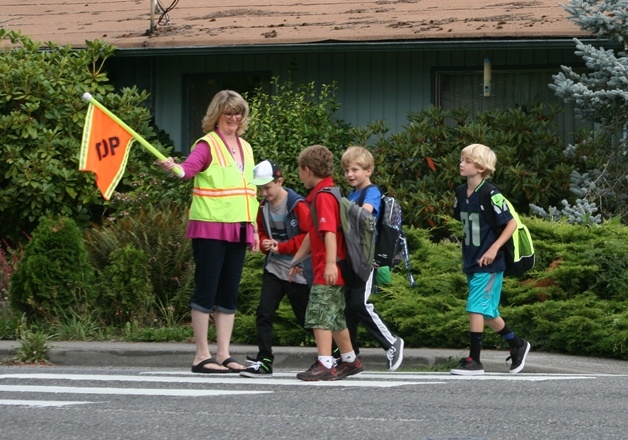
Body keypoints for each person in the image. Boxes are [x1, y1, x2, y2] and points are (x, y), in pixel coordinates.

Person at [158, 90, 259, 374]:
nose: (234, 118)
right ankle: (201, 355)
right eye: (228, 113)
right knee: (206, 290)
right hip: (210, 228)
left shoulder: (246, 147)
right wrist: (173, 168)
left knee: (228, 294)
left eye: (238, 113)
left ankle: (224, 354)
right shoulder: (207, 144)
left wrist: (254, 227)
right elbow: (187, 170)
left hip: (239, 228)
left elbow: (249, 190)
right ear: (217, 115)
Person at [451, 143, 531, 376]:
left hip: (490, 263)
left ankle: (474, 360)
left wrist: (494, 248)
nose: (461, 164)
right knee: (486, 312)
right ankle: (517, 344)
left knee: (476, 306)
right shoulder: (460, 192)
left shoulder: (491, 193)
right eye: (462, 160)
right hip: (471, 260)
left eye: (467, 161)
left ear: (481, 167)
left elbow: (511, 223)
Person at [290, 144, 363, 381]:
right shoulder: (331, 191)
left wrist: (330, 264)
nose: (300, 176)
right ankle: (350, 359)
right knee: (335, 317)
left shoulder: (322, 197)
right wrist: (296, 260)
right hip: (332, 266)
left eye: (300, 171)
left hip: (328, 268)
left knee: (319, 314)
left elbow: (329, 232)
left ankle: (325, 362)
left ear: (308, 169)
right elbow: (314, 234)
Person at [240, 159, 313, 378]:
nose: (264, 192)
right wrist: (263, 242)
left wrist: (282, 247)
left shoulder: (297, 204)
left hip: (296, 268)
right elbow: (262, 231)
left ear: (279, 181)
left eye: (267, 187)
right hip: (274, 267)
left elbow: (309, 236)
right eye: (260, 188)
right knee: (264, 312)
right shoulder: (262, 207)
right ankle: (264, 360)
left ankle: (335, 352)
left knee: (307, 318)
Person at [340, 146, 405, 372]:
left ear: (368, 170)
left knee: (359, 303)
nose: (350, 174)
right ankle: (351, 355)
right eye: (347, 170)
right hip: (352, 256)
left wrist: (343, 210)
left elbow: (366, 213)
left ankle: (391, 343)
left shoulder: (371, 191)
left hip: (367, 257)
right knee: (348, 307)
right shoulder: (351, 194)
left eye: (355, 169)